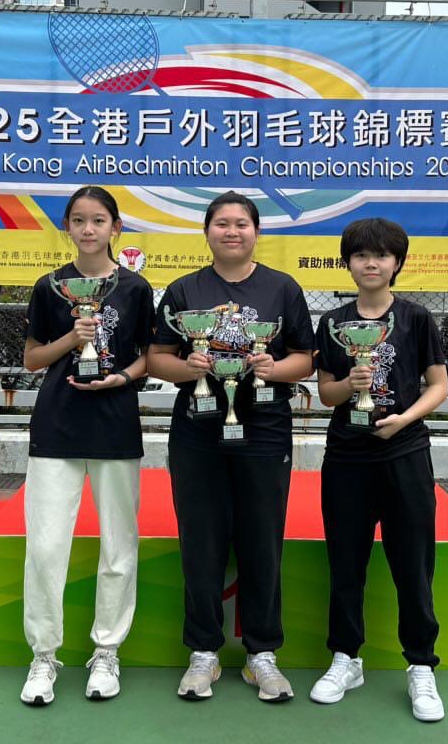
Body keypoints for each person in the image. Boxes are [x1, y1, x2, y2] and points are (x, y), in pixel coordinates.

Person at [148, 191, 314, 703]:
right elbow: (156, 358)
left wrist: (272, 368)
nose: (232, 231)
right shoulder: (184, 290)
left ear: (256, 232)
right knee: (201, 541)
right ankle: (204, 652)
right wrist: (188, 368)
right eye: (222, 223)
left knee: (262, 539)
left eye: (242, 223)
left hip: (263, 430)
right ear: (207, 232)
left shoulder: (282, 288)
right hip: (198, 431)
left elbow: (305, 358)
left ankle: (262, 654)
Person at [309, 217, 448, 723]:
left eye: (382, 255)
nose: (371, 263)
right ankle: (346, 658)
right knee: (346, 563)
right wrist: (350, 385)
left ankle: (421, 664)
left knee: (413, 563)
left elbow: (438, 385)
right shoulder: (332, 322)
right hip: (347, 456)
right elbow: (326, 394)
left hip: (404, 452)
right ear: (347, 262)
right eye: (361, 255)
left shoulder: (416, 318)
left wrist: (404, 419)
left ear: (397, 263)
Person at [19, 185, 154, 706]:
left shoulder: (135, 288)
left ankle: (107, 651)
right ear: (67, 227)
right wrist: (72, 340)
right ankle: (43, 655)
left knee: (118, 546)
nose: (89, 229)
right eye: (79, 220)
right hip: (57, 426)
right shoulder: (49, 286)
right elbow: (33, 358)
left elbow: (147, 357)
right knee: (46, 546)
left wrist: (122, 378)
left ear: (116, 227)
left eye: (99, 220)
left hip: (115, 425)